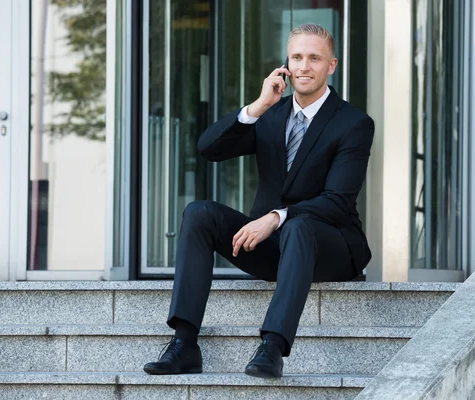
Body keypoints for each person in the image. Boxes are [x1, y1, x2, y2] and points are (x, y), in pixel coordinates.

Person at [143, 23, 375, 379]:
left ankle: (272, 347)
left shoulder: (353, 123)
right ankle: (184, 343)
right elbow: (209, 149)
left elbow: (337, 201)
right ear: (286, 63)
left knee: (298, 225)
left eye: (314, 58)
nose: (303, 66)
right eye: (297, 57)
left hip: (331, 245)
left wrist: (275, 217)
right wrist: (258, 105)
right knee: (200, 213)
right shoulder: (272, 114)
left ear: (332, 65)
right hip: (274, 249)